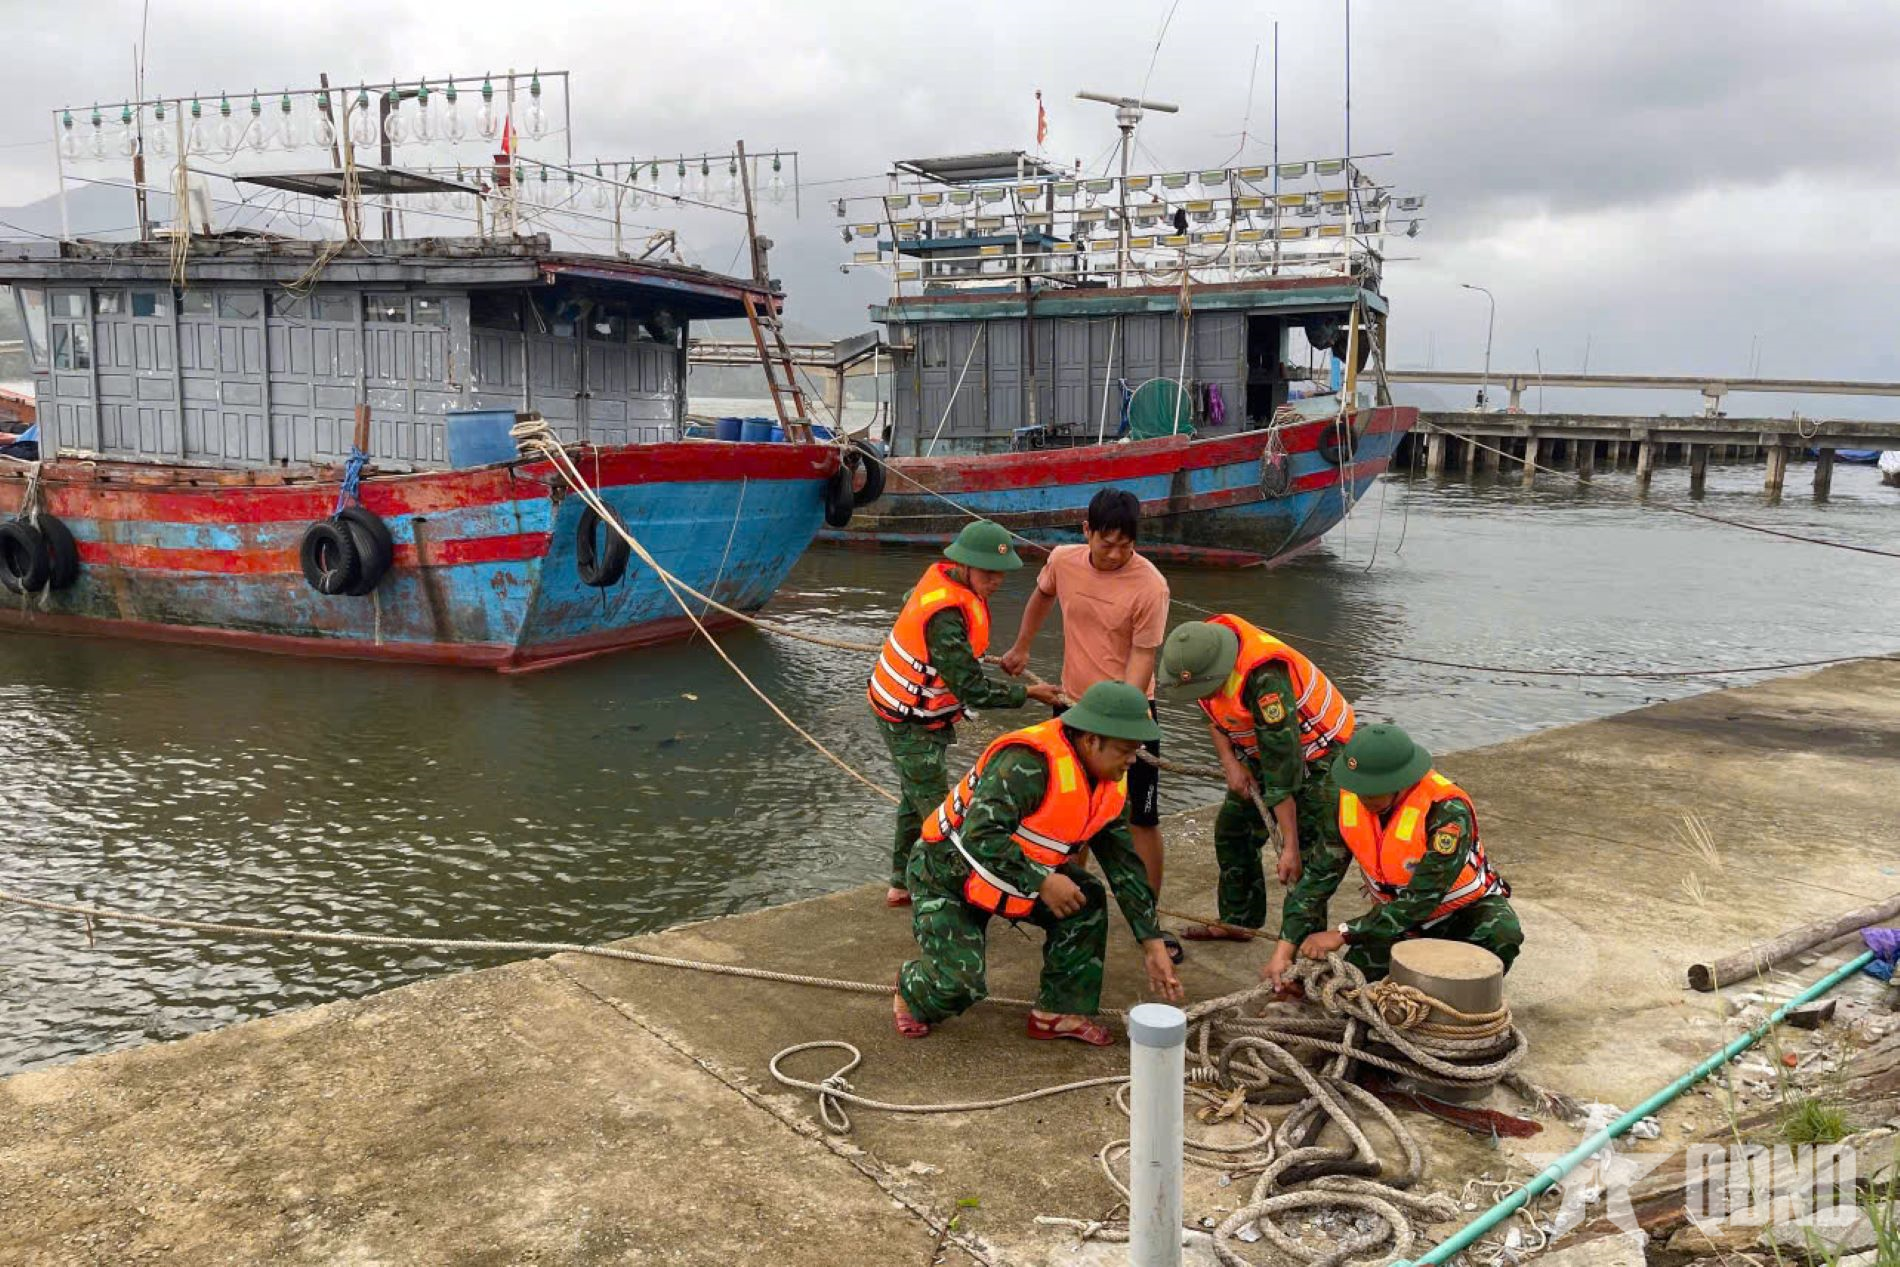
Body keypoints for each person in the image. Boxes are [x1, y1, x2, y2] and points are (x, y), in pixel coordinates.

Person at [894, 681, 1184, 1044]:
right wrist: (1043, 880)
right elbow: (980, 835)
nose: (1131, 760)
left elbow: (1124, 868)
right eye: (1125, 750)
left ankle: (1057, 1011)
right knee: (959, 985)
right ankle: (911, 988)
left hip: (1012, 875)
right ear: (1091, 739)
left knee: (1087, 900)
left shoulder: (1110, 786)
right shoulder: (1026, 763)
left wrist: (1152, 943)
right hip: (948, 872)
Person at [999, 488, 1178, 959]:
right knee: (1069, 813)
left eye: (1127, 545)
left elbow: (1142, 661)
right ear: (1087, 532)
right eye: (1107, 543)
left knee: (1140, 817)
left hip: (1130, 715)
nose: (1117, 554)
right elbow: (1040, 598)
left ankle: (1149, 919)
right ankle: (1067, 901)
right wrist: (1021, 647)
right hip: (1072, 709)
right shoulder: (1063, 560)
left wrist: (1123, 724)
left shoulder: (1150, 586)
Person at [870, 520, 1062, 907]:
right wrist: (1028, 694)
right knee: (942, 819)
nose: (995, 582)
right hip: (907, 720)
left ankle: (899, 884)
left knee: (914, 797)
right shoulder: (946, 616)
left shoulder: (945, 585)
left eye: (1000, 575)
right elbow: (972, 689)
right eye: (988, 574)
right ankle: (949, 897)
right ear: (965, 566)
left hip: (917, 712)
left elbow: (946, 650)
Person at [1263, 723, 1522, 986]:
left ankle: (1464, 996)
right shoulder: (1347, 801)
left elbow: (1422, 899)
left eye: (1372, 790)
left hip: (1461, 914)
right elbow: (1319, 878)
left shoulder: (1447, 812)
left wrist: (1343, 933)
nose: (1363, 798)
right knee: (1351, 985)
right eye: (1358, 788)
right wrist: (1284, 951)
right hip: (1396, 923)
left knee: (1502, 933)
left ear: (1401, 782)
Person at [1156, 615, 1355, 939]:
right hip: (1259, 750)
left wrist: (1287, 845)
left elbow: (1282, 772)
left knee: (1304, 857)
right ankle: (1240, 920)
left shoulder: (1266, 681)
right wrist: (1230, 762)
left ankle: (1303, 955)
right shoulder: (1198, 652)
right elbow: (1214, 712)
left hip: (1317, 755)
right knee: (1233, 831)